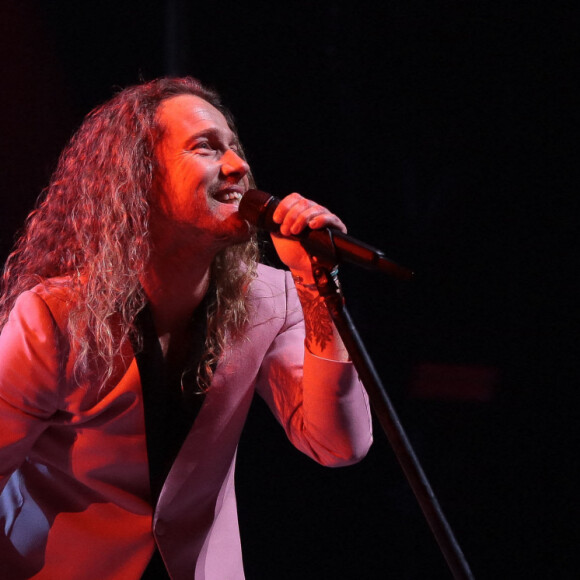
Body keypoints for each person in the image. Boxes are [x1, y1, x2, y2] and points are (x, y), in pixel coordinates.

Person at [0, 77, 372, 579]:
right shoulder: (57, 315)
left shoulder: (272, 298)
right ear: (137, 178)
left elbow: (339, 444)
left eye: (235, 148)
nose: (239, 166)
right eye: (206, 148)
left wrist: (315, 287)